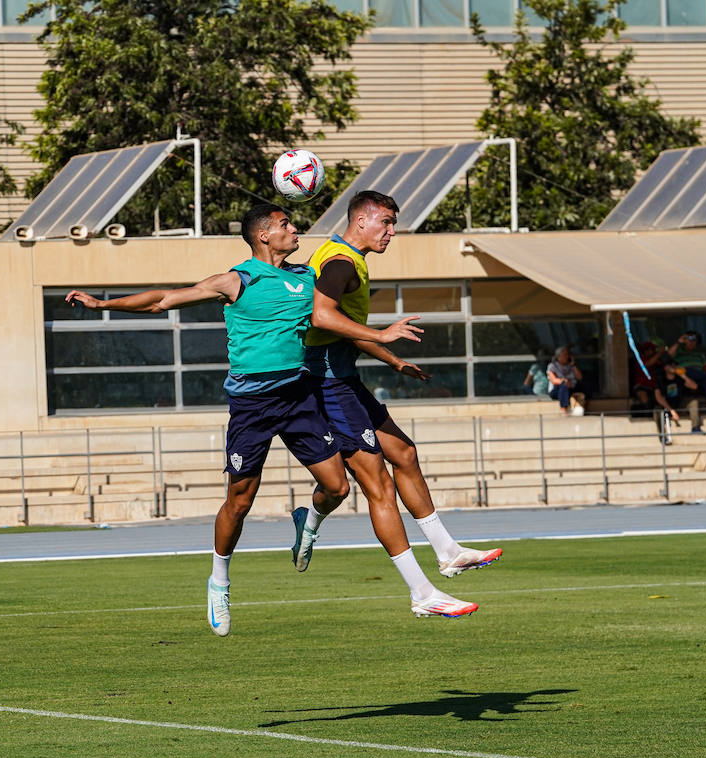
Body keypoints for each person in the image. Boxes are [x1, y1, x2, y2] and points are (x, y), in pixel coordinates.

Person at [68, 203, 478, 636]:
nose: (295, 229)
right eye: (285, 224)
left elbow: (335, 323)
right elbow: (164, 299)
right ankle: (219, 581)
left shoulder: (305, 278)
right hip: (252, 408)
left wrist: (390, 356)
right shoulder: (237, 280)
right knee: (240, 501)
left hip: (298, 399)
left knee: (339, 487)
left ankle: (311, 524)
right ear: (264, 235)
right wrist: (103, 303)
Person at [302, 190, 502, 586]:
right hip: (325, 384)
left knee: (404, 454)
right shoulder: (341, 262)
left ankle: (448, 552)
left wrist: (393, 360)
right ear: (361, 220)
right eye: (386, 222)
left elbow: (342, 328)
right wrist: (382, 334)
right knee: (372, 484)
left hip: (343, 379)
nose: (391, 232)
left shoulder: (342, 255)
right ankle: (420, 590)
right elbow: (321, 317)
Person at [653, 361, 702, 443]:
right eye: (670, 365)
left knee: (693, 402)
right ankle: (663, 436)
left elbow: (695, 386)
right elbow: (659, 398)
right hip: (666, 407)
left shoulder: (679, 379)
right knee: (657, 411)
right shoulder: (660, 380)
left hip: (679, 405)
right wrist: (671, 411)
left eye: (674, 365)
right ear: (665, 368)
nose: (673, 366)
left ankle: (695, 428)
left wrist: (682, 375)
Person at [667, 330, 706, 408]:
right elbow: (669, 353)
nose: (691, 342)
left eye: (694, 340)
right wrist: (679, 342)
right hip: (683, 374)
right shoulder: (679, 351)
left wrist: (704, 373)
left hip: (699, 375)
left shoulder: (699, 353)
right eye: (689, 339)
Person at [546, 345, 583, 414]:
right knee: (564, 386)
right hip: (557, 390)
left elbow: (579, 377)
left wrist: (573, 365)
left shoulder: (571, 365)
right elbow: (553, 380)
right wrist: (564, 381)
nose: (567, 356)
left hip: (571, 388)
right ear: (558, 356)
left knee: (584, 385)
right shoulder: (552, 366)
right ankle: (564, 409)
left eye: (568, 354)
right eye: (565, 354)